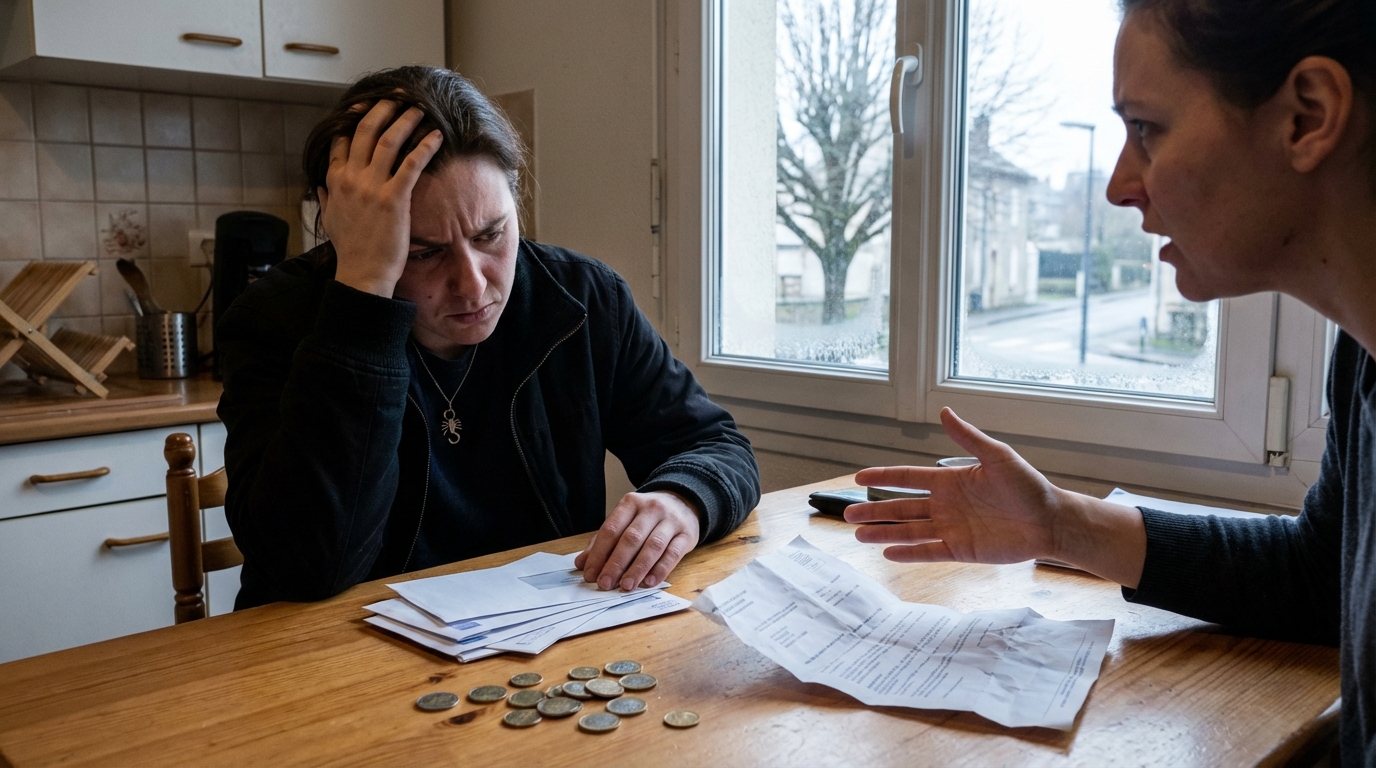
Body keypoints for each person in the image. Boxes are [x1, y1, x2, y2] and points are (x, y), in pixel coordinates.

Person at [845, 0, 1375, 762]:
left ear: (1307, 116)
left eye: (1147, 130)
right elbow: (1320, 576)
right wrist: (1059, 526)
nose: (1119, 186)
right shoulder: (1361, 354)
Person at [216, 67, 760, 610]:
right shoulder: (273, 320)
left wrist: (684, 497)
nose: (474, 284)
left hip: (540, 642)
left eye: (491, 234)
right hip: (333, 659)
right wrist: (362, 300)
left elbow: (715, 446)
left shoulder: (583, 299)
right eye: (422, 251)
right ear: (347, 233)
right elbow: (309, 567)